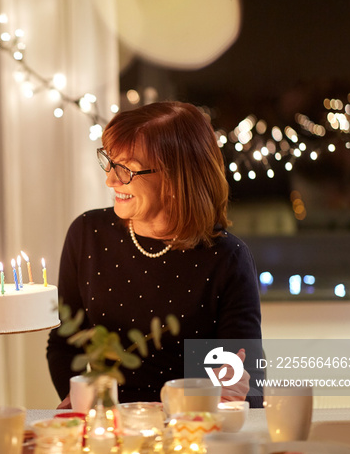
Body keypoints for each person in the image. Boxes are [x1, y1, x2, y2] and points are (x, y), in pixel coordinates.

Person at [47, 102, 262, 407]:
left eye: (127, 169)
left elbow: (249, 379)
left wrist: (233, 392)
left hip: (190, 427)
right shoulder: (87, 233)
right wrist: (79, 396)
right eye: (109, 162)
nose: (110, 180)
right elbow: (63, 344)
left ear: (176, 178)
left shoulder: (228, 258)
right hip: (111, 426)